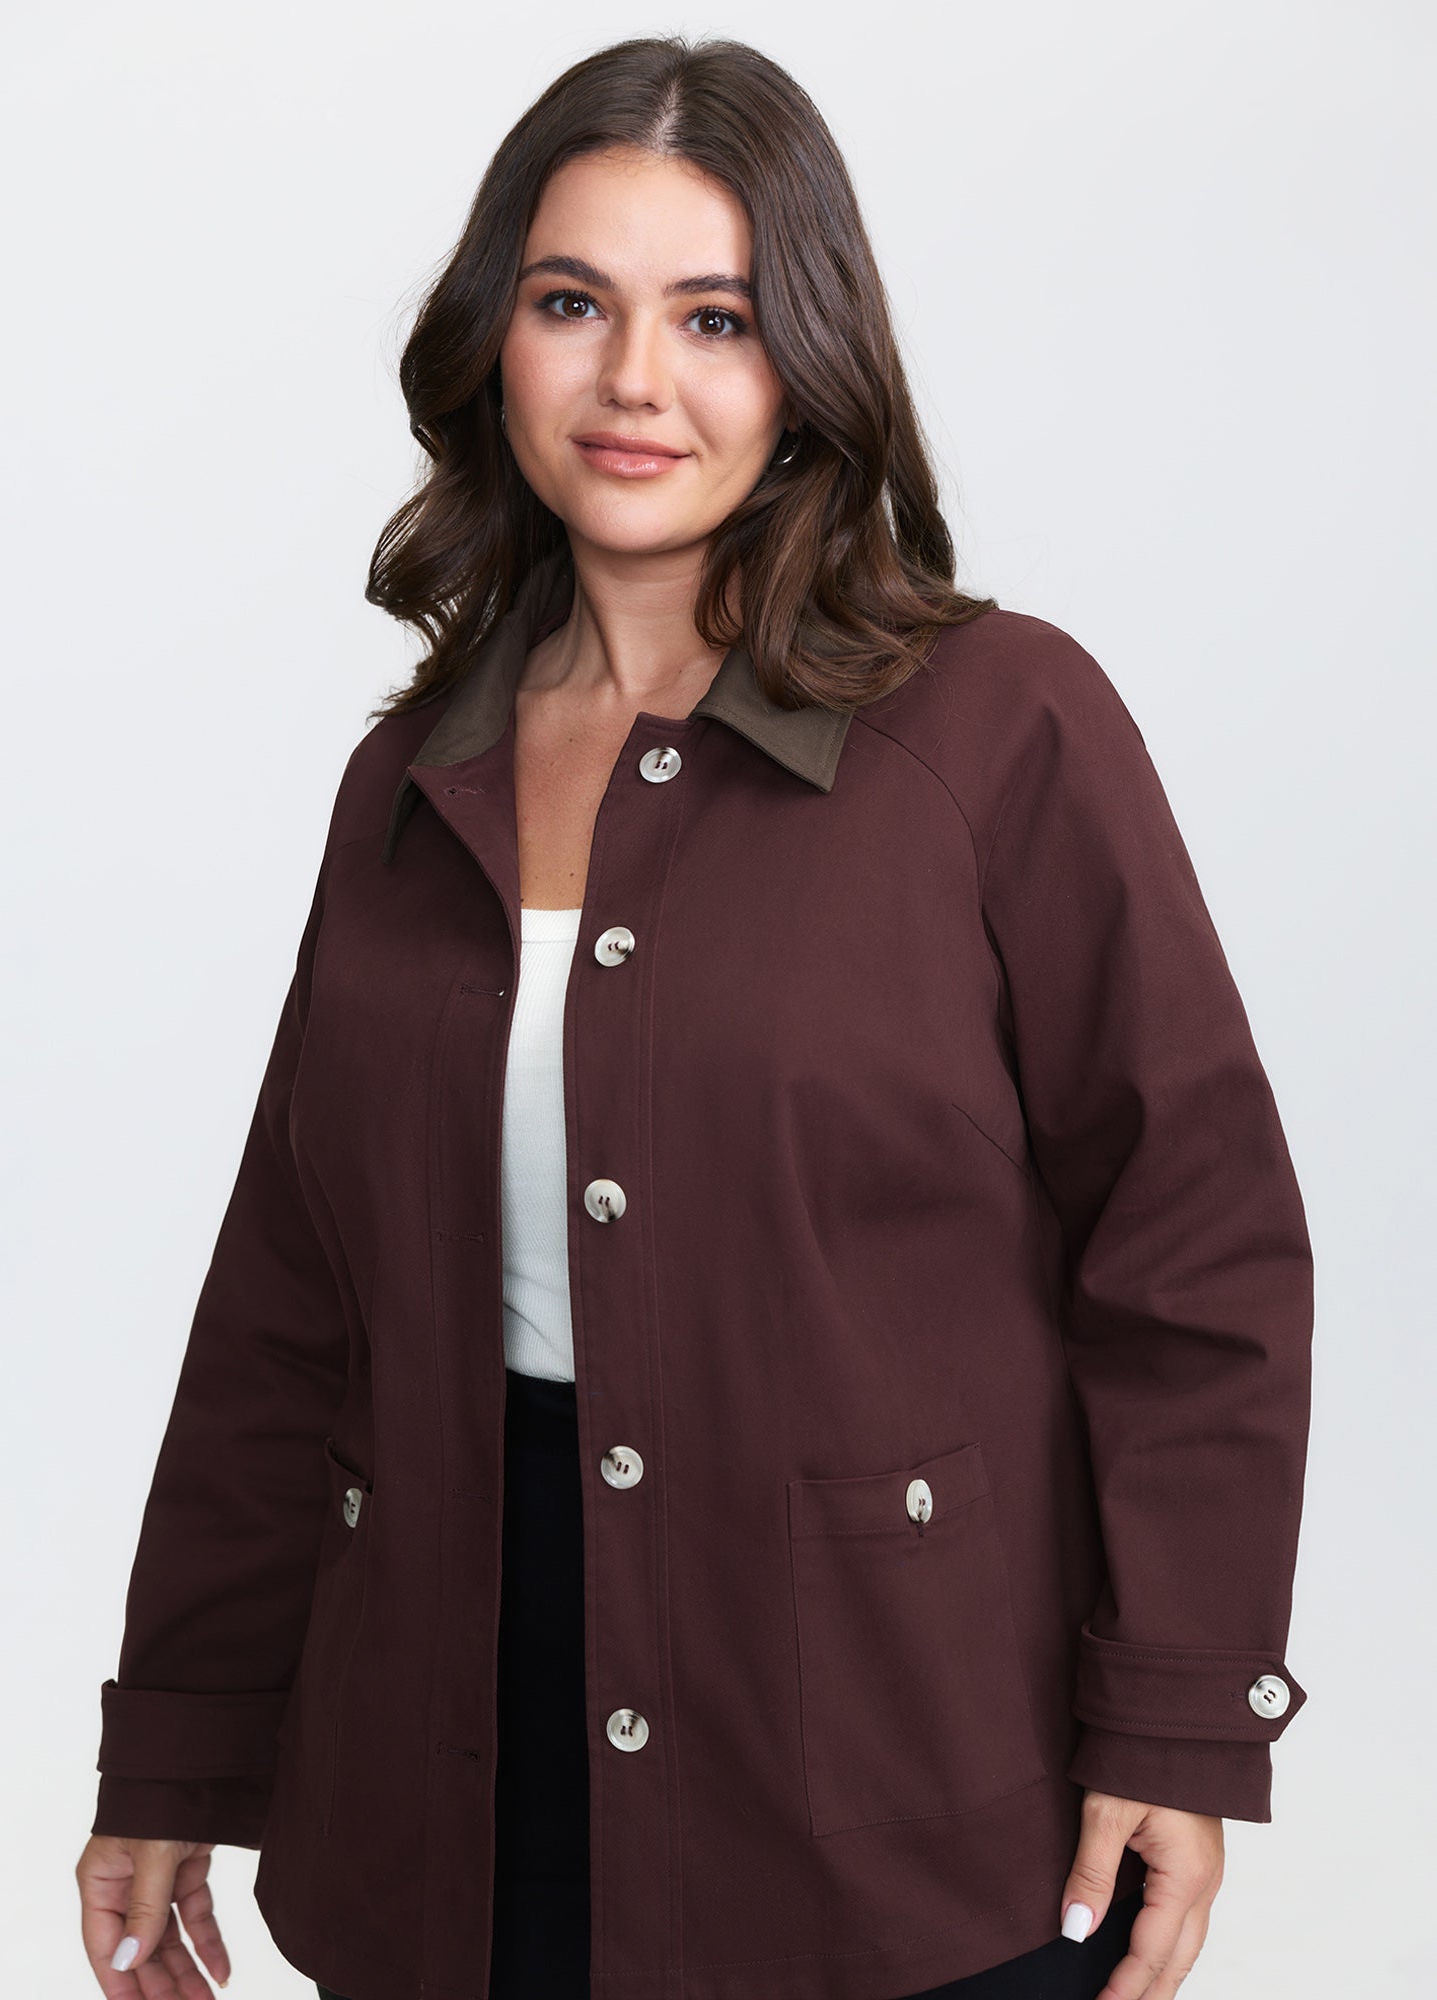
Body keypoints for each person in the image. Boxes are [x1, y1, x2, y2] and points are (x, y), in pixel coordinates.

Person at [75, 32, 1313, 2000]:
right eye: (573, 303)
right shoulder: (414, 783)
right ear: (495, 343)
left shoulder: (1002, 731)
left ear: (806, 361)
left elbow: (1196, 1241)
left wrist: (1175, 1713)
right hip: (443, 1750)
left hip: (888, 1762)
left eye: (713, 318)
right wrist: (180, 1741)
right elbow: (290, 1304)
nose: (635, 381)